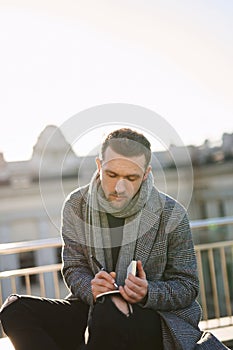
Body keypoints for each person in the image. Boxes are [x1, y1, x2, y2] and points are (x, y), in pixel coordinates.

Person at [0, 128, 229, 350]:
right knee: (14, 309)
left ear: (146, 173)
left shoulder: (172, 214)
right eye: (112, 175)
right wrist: (92, 288)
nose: (120, 187)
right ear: (99, 166)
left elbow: (187, 286)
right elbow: (73, 268)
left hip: (155, 317)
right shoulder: (76, 205)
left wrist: (148, 292)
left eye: (131, 177)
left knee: (108, 313)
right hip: (92, 307)